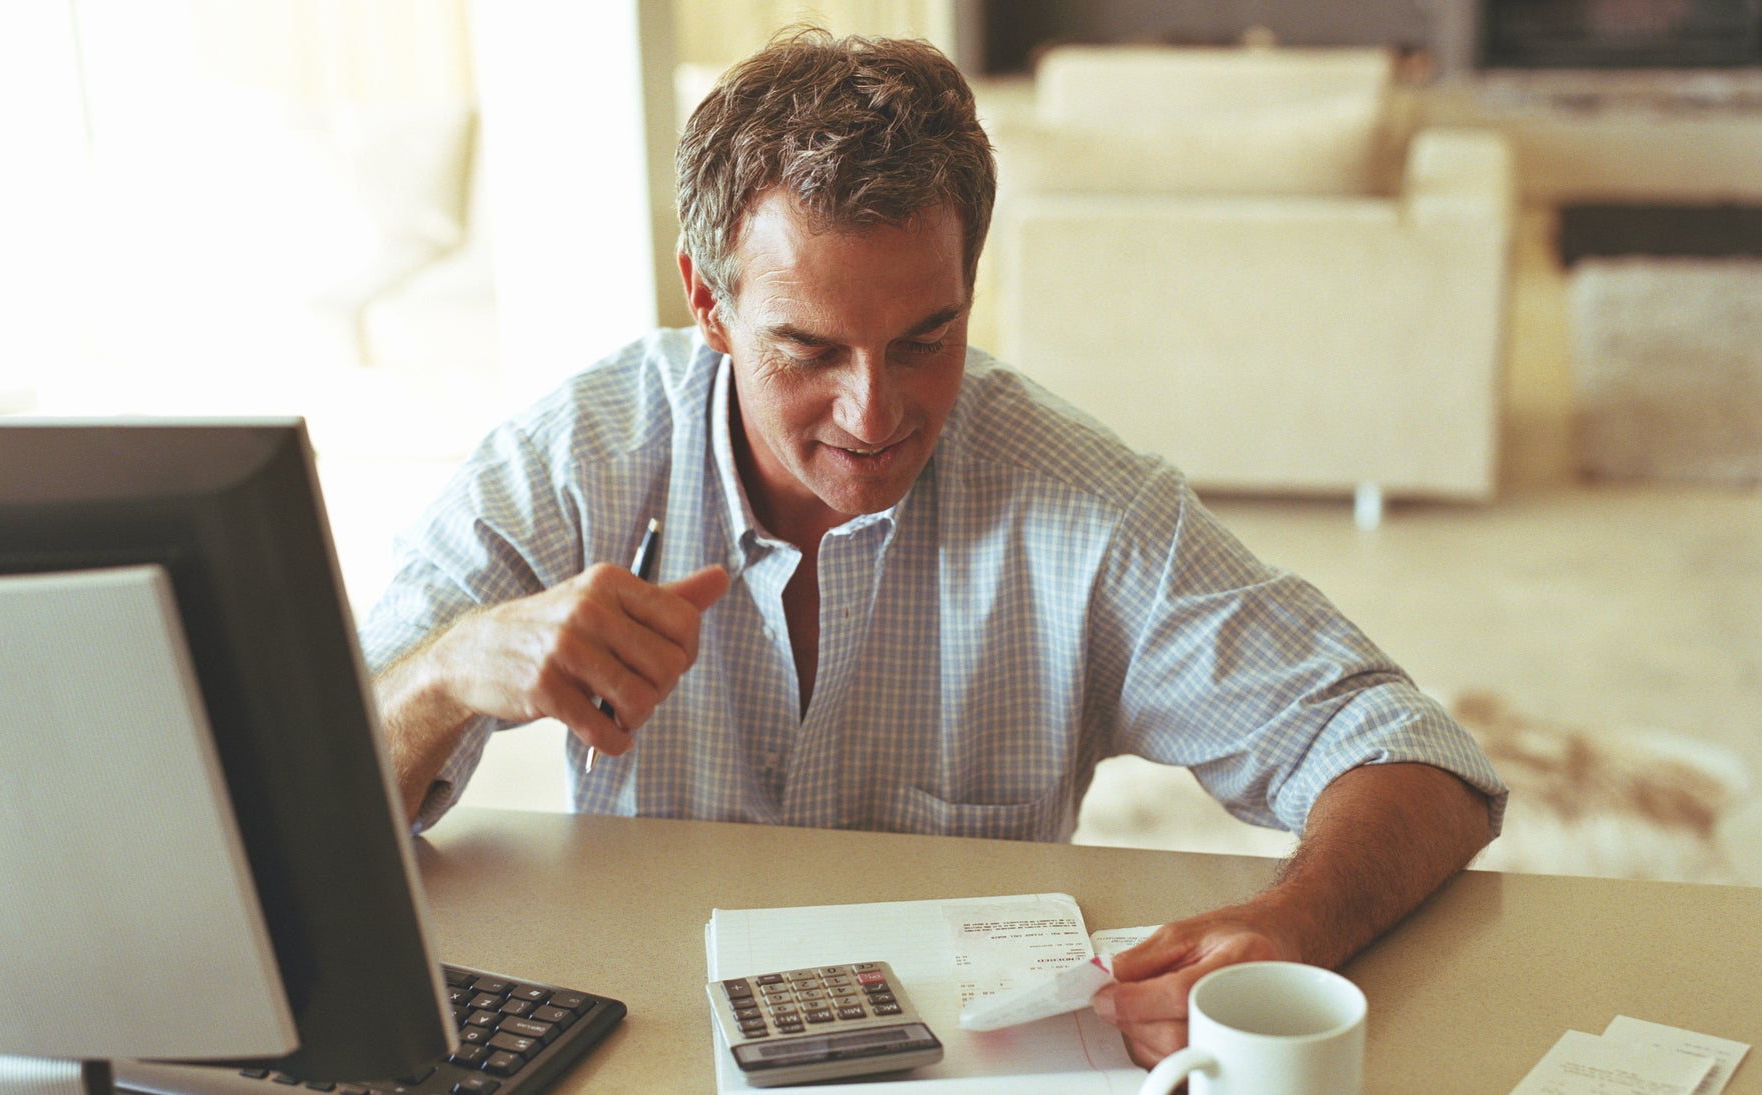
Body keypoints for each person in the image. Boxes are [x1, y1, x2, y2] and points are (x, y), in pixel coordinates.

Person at [361, 28, 1505, 1067]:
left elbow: (1416, 756)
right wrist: (448, 671)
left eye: (925, 340)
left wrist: (1292, 928)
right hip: (646, 1041)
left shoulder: (1084, 507)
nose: (874, 415)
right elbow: (307, 798)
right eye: (808, 350)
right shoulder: (578, 457)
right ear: (707, 301)